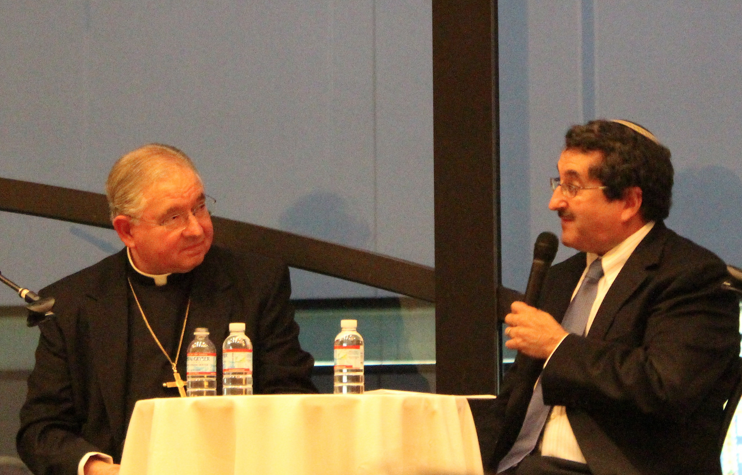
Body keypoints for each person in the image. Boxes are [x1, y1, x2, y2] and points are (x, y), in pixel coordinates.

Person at [17, 144, 318, 475]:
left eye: (200, 208)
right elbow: (41, 431)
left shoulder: (256, 284)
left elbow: (292, 398)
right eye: (174, 217)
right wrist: (101, 470)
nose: (196, 228)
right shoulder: (72, 306)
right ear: (127, 230)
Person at [485, 120, 740, 474]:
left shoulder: (691, 276)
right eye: (558, 183)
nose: (554, 201)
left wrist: (559, 346)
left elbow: (665, 386)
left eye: (572, 187)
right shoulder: (560, 279)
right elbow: (514, 401)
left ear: (628, 202)